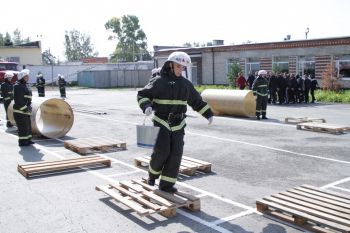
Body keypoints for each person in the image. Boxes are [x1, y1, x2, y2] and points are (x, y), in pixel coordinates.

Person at [137, 51, 214, 193]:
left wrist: (208, 114)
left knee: (176, 154)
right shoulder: (159, 81)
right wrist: (146, 106)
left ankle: (166, 184)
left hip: (179, 124)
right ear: (170, 65)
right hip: (162, 122)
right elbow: (142, 94)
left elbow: (196, 101)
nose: (180, 70)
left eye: (182, 67)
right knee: (162, 151)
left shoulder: (186, 85)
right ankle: (152, 175)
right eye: (178, 66)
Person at [13, 69, 34, 146]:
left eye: (27, 76)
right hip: (20, 111)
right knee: (23, 127)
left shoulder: (25, 85)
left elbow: (27, 97)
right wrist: (25, 109)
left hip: (25, 110)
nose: (28, 77)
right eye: (26, 76)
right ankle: (22, 142)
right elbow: (19, 101)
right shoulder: (18, 86)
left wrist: (29, 107)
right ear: (22, 77)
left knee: (28, 126)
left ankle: (28, 140)